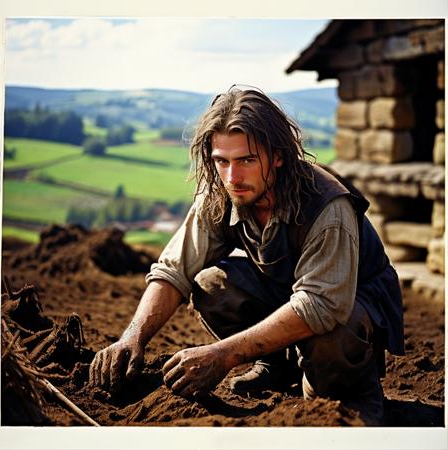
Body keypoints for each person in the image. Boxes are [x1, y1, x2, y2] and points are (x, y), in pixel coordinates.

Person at [89, 86, 404, 425]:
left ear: (278, 156)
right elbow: (173, 268)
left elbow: (321, 305)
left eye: (246, 161)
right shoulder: (221, 193)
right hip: (291, 290)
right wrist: (132, 337)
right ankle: (277, 367)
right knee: (212, 285)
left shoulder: (328, 206)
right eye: (221, 161)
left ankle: (354, 393)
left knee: (329, 347)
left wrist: (223, 356)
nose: (232, 177)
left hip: (351, 303)